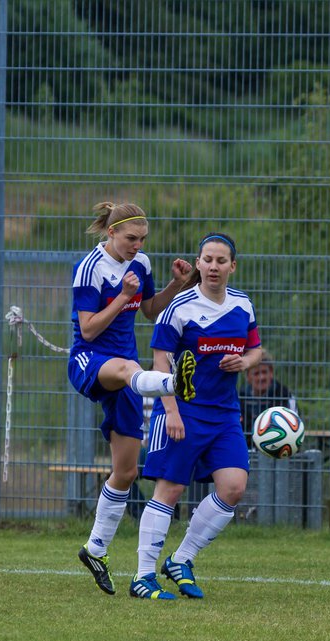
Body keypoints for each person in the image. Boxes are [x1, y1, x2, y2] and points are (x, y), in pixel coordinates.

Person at [68, 201, 194, 596]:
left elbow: (151, 311)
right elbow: (88, 330)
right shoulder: (91, 268)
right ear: (111, 233)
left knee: (126, 472)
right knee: (126, 369)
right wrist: (122, 297)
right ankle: (172, 384)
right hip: (92, 361)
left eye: (142, 239)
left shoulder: (143, 263)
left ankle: (95, 548)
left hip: (130, 372)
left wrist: (177, 285)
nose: (137, 246)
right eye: (130, 239)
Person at [131, 232, 260, 601]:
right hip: (182, 410)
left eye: (221, 261)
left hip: (224, 414)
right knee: (169, 490)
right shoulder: (180, 306)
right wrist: (170, 410)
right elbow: (160, 360)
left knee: (233, 487)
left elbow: (255, 349)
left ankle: (181, 559)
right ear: (199, 264)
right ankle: (142, 575)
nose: (213, 267)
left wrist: (244, 361)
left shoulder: (243, 306)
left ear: (232, 266)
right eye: (207, 260)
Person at [238, 354, 297, 442]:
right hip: (246, 449)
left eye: (264, 372)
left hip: (277, 447)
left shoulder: (284, 395)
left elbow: (295, 427)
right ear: (247, 377)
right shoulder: (240, 397)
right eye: (256, 373)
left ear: (271, 373)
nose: (261, 377)